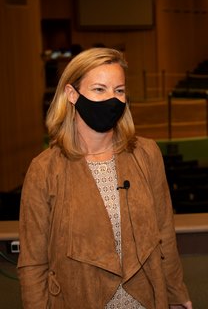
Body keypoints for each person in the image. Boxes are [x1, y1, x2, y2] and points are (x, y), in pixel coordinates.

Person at [18, 47, 192, 309]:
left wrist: (177, 295)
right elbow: (33, 263)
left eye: (119, 90)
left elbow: (165, 235)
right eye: (99, 89)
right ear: (71, 94)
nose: (112, 99)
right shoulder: (44, 169)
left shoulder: (147, 154)